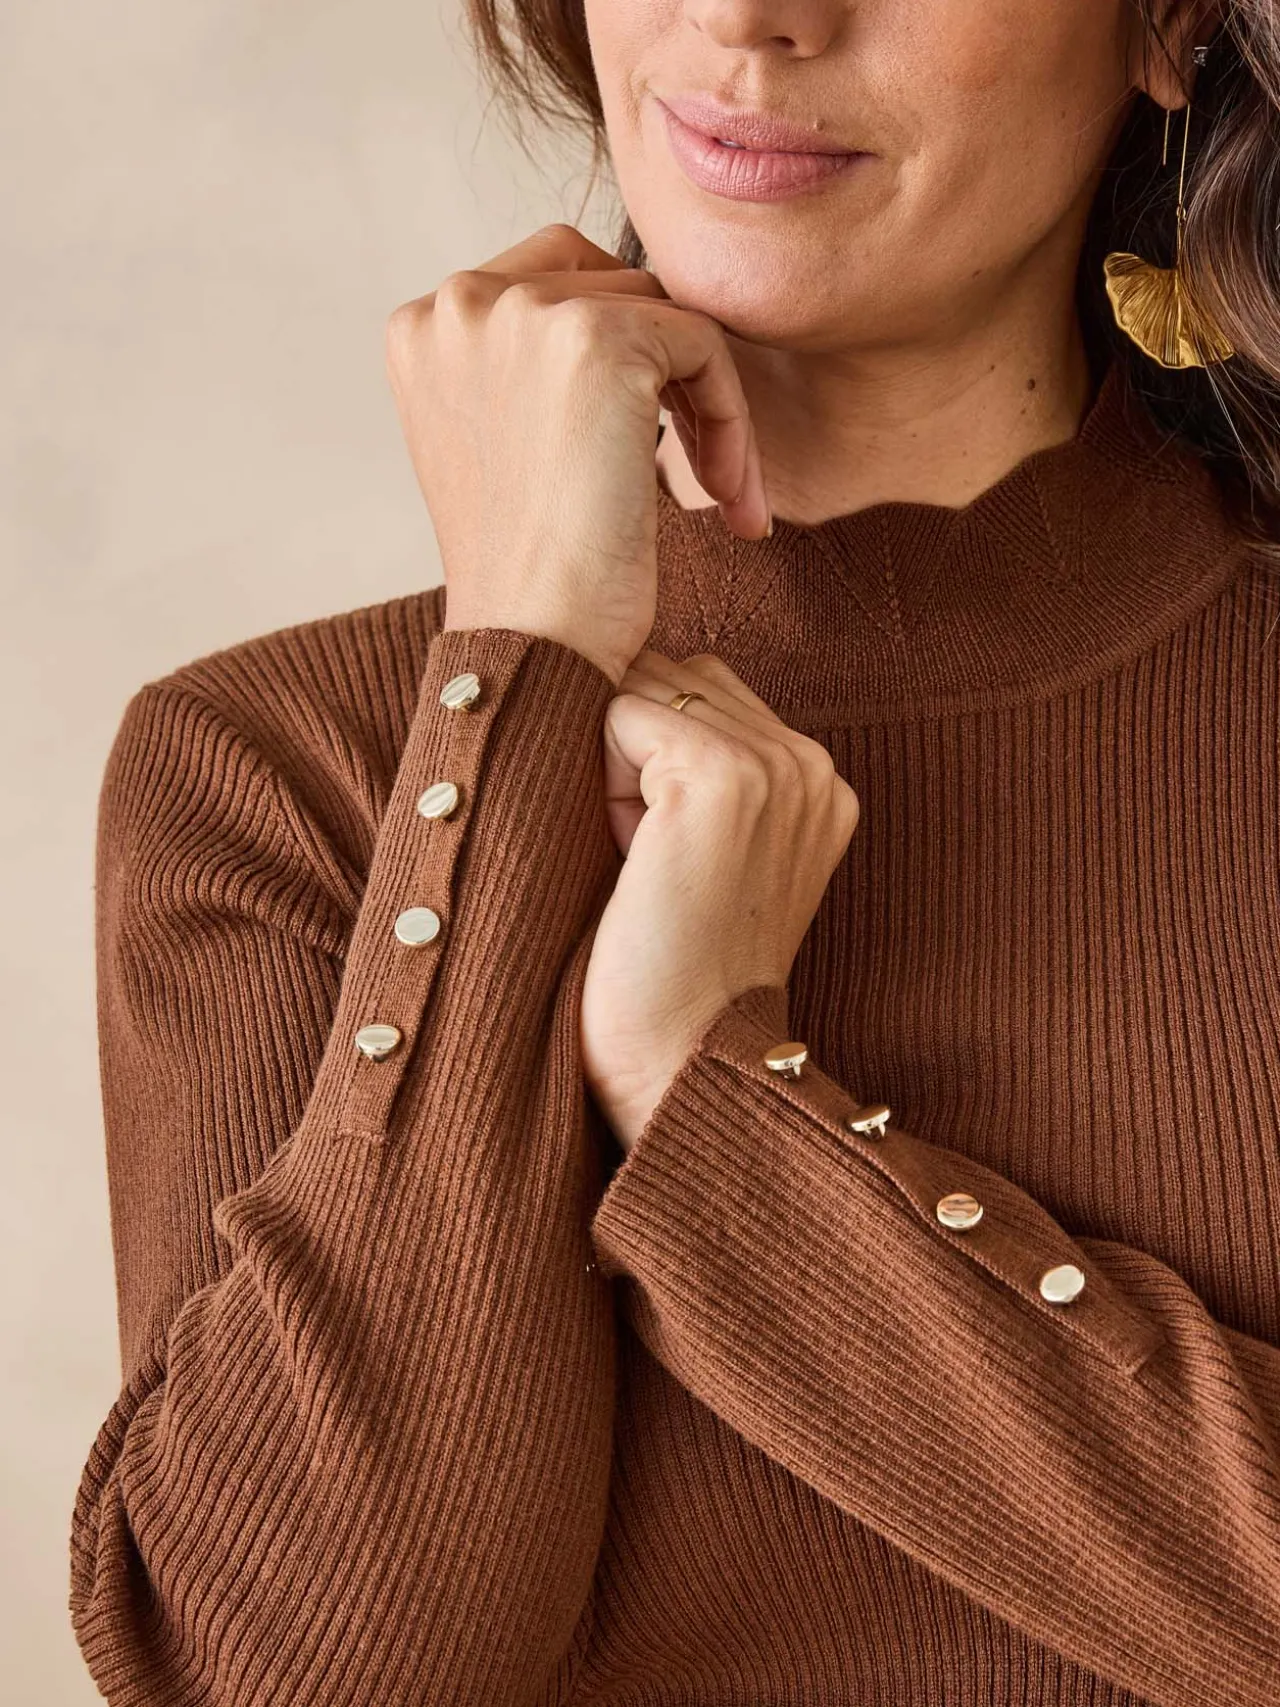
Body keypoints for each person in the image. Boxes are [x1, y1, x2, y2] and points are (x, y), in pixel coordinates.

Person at [70, 2, 1280, 1703]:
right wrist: (520, 657)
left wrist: (714, 1097)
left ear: (1169, 26)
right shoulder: (276, 774)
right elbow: (286, 1674)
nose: (745, 16)